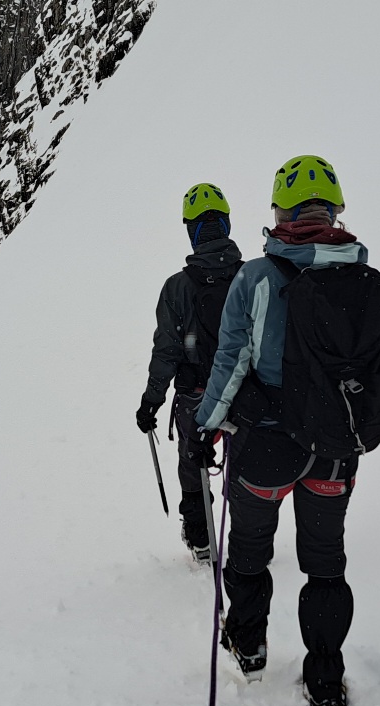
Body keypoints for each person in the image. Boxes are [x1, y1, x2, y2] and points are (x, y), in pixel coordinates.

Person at [193, 155, 374, 706]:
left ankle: (248, 645)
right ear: (335, 208)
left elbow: (230, 361)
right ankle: (324, 675)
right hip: (336, 453)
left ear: (281, 210)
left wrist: (207, 427)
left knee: (249, 553)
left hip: (267, 449)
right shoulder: (362, 279)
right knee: (324, 563)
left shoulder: (257, 278)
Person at [136, 183, 244, 562]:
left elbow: (166, 350)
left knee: (192, 460)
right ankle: (250, 536)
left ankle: (201, 537)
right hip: (248, 392)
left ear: (191, 231)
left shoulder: (177, 287)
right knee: (248, 459)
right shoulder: (252, 277)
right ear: (226, 224)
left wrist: (151, 401)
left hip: (195, 393)